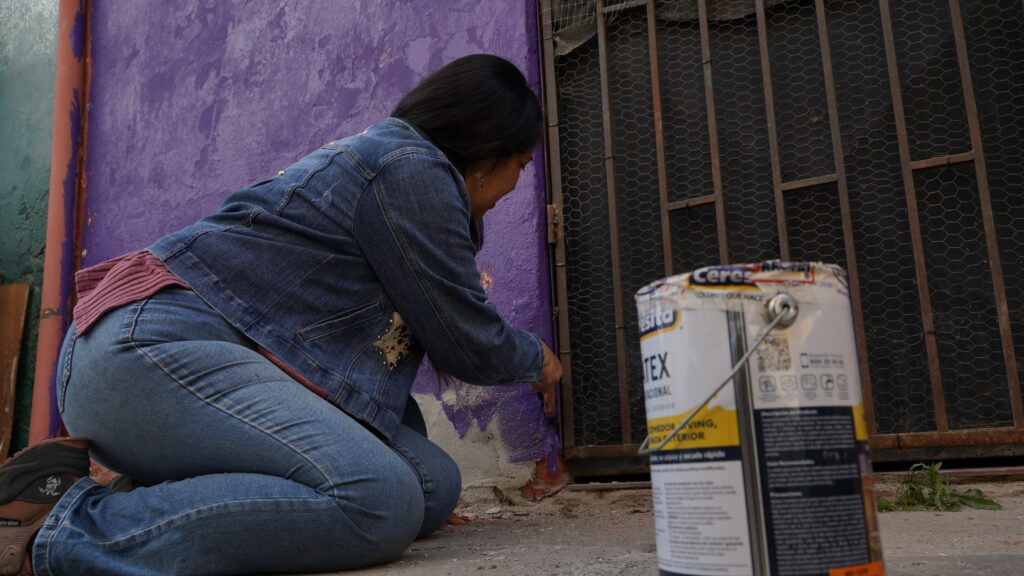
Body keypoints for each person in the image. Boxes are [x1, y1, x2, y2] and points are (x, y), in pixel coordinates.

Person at [0, 54, 562, 576]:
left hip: (170, 363)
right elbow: (467, 340)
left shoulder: (393, 166)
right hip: (146, 352)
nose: (515, 186)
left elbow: (361, 376)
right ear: (485, 153)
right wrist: (536, 359)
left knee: (430, 486)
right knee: (379, 503)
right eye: (519, 165)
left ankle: (83, 492)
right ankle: (59, 532)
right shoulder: (411, 168)